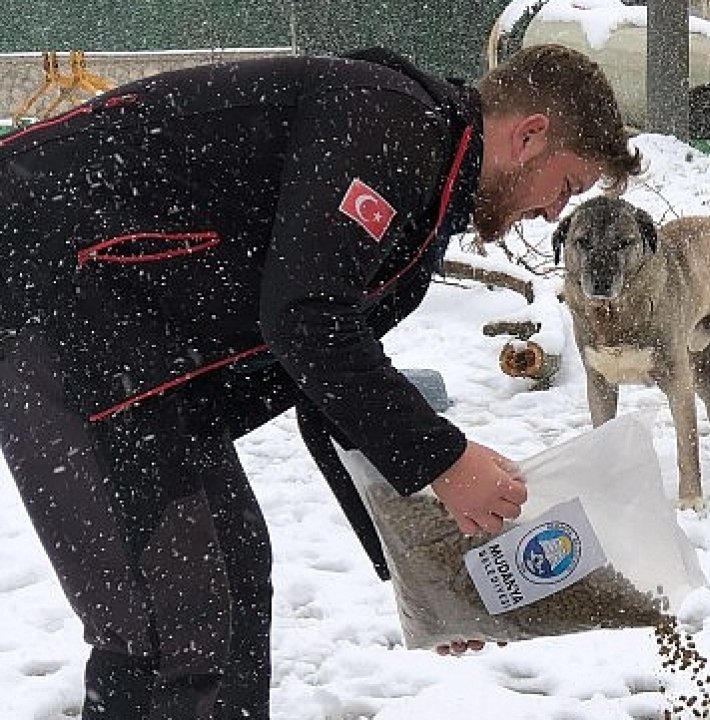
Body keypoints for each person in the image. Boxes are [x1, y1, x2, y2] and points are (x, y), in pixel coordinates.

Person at [0, 43, 641, 719]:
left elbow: (325, 386)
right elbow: (306, 321)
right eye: (565, 187)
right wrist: (444, 459)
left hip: (138, 349)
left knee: (232, 573)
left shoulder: (420, 207)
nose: (550, 214)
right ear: (529, 135)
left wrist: (427, 574)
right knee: (172, 621)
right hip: (51, 301)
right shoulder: (387, 124)